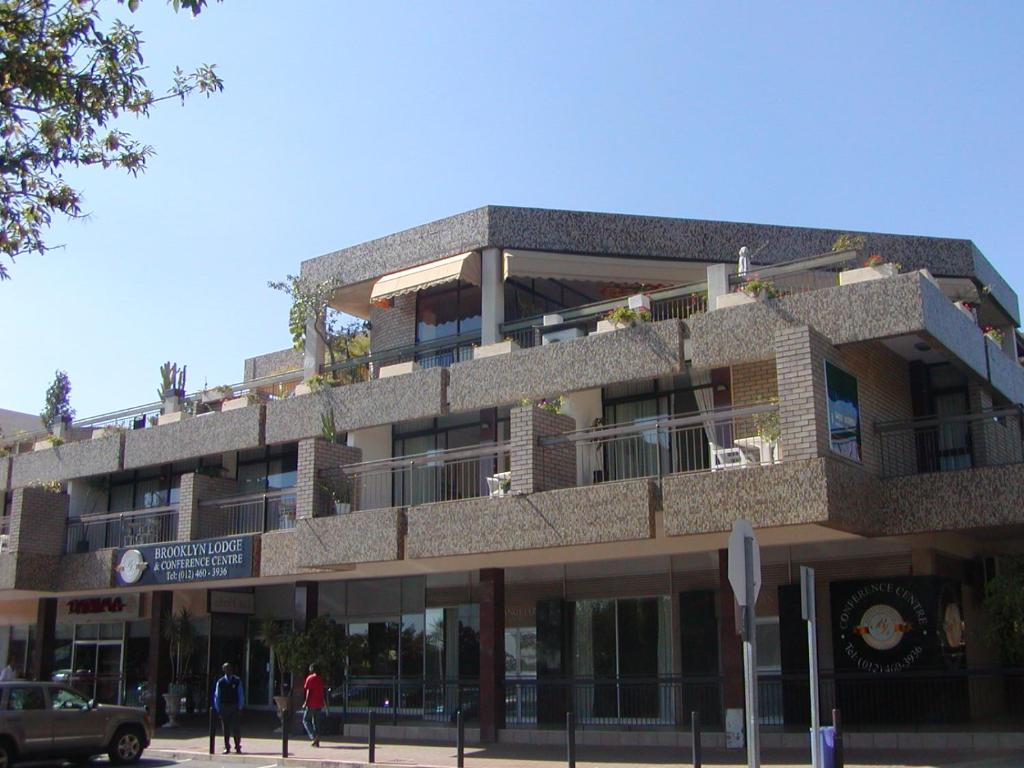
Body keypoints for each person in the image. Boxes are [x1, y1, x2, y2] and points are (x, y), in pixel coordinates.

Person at [212, 662, 244, 754]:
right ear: (223, 670)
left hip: (234, 706)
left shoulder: (237, 681)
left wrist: (240, 707)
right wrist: (218, 709)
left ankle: (237, 746)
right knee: (226, 729)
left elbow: (240, 694)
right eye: (226, 669)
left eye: (229, 668)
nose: (228, 670)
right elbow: (217, 696)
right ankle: (227, 747)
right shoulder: (220, 682)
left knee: (236, 728)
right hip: (224, 707)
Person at [302, 663, 326, 747]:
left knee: (305, 720)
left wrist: (306, 702)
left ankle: (314, 736)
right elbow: (323, 691)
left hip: (311, 703)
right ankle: (317, 741)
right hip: (319, 703)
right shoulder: (320, 679)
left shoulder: (310, 678)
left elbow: (309, 691)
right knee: (316, 722)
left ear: (312, 669)